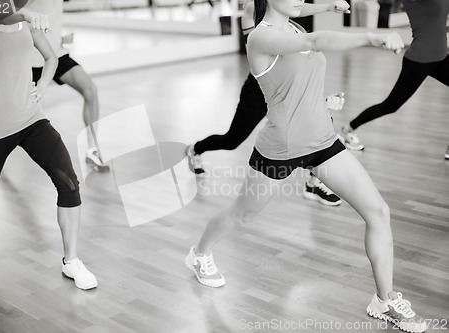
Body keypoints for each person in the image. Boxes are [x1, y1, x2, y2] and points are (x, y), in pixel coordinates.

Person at [185, 0, 427, 332]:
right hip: (280, 149)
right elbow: (313, 43)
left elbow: (295, 79)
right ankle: (199, 254)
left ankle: (384, 300)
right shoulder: (259, 37)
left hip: (323, 142)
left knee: (379, 212)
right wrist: (371, 36)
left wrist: (322, 101)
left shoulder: (295, 25)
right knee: (242, 213)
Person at [0, 1, 97, 290]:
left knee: (68, 182)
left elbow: (51, 58)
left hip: (32, 121)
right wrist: (24, 13)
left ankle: (71, 261)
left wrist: (43, 85)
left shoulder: (25, 24)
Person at [186, 0, 350, 206]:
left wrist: (327, 7)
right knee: (232, 140)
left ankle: (314, 183)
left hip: (288, 83)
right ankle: (195, 149)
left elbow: (295, 8)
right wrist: (326, 8)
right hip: (260, 90)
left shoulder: (286, 13)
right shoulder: (253, 10)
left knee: (317, 125)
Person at [340, 0, 449, 155]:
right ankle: (348, 129)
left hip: (441, 58)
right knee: (390, 105)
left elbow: (435, 21)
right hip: (420, 60)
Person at [29, 0, 108, 172]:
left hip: (56, 54)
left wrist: (58, 37)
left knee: (90, 89)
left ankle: (92, 151)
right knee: (16, 112)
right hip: (29, 58)